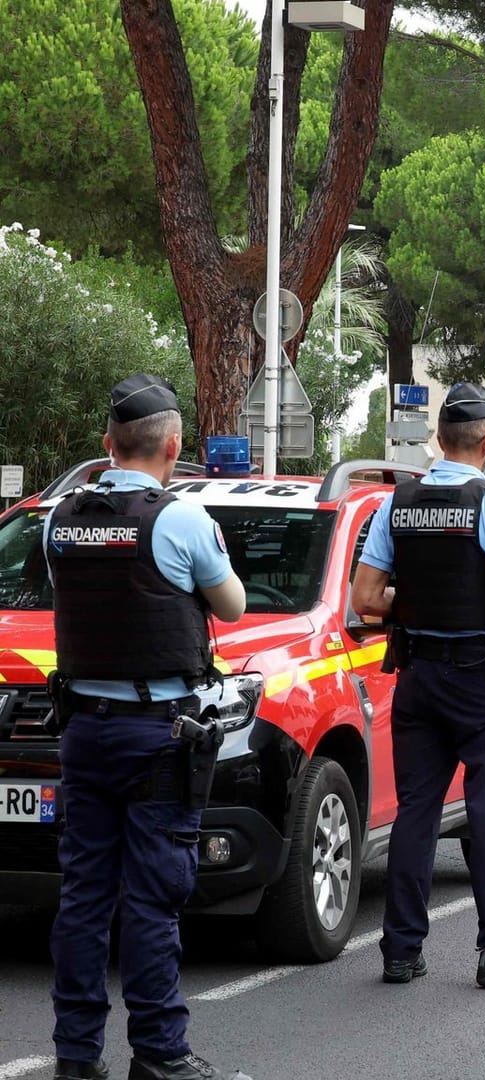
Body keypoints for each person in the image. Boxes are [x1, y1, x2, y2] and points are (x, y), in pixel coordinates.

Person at [44, 374, 250, 1080]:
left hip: (82, 731)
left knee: (83, 899)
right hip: (156, 734)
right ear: (173, 445)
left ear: (107, 444)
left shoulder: (58, 518)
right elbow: (231, 605)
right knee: (155, 898)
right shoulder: (181, 520)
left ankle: (76, 1054)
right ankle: (159, 1053)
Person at [350, 383, 485, 990]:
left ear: (438, 440)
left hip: (418, 678)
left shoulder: (396, 504)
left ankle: (401, 951)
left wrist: (420, 600)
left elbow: (367, 598)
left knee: (417, 815)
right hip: (481, 679)